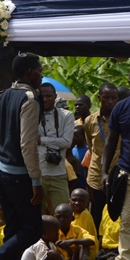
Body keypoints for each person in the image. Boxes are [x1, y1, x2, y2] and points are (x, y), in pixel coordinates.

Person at [0, 52, 44, 260]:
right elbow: (27, 144)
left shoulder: (2, 95)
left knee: (14, 227)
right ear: (30, 72)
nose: (41, 76)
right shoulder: (30, 100)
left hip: (1, 171)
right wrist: (35, 180)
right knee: (32, 230)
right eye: (40, 72)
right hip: (20, 175)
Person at [102, 66, 130, 260]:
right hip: (129, 176)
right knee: (129, 224)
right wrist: (104, 172)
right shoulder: (121, 107)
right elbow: (111, 141)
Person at [85, 82, 120, 232]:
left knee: (117, 214)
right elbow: (91, 146)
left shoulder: (123, 119)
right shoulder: (90, 121)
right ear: (99, 98)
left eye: (113, 98)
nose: (110, 101)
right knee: (97, 213)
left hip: (118, 175)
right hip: (96, 175)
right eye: (106, 98)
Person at [39, 82, 75, 214]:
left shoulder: (66, 115)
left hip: (58, 173)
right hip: (38, 173)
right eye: (42, 96)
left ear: (55, 96)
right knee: (36, 215)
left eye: (48, 96)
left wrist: (41, 140)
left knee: (63, 213)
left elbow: (67, 142)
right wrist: (56, 142)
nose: (45, 99)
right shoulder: (32, 115)